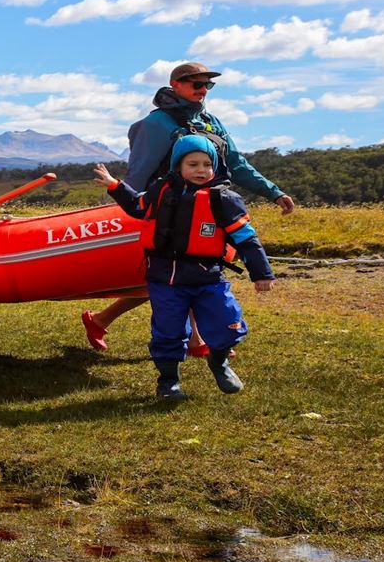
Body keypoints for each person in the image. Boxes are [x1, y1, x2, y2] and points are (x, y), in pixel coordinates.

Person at [82, 62, 294, 355]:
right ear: (175, 86)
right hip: (167, 210)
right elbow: (139, 172)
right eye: (196, 84)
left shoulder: (211, 121)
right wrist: (128, 207)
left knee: (194, 270)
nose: (203, 90)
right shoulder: (157, 124)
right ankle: (195, 340)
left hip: (210, 207)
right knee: (175, 273)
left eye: (208, 85)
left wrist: (273, 191)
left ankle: (104, 320)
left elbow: (235, 163)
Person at [92, 135, 275, 398]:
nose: (201, 170)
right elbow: (137, 206)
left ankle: (219, 362)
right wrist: (115, 186)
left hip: (208, 279)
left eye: (206, 164)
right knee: (168, 332)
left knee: (227, 323)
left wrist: (262, 273)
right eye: (193, 164)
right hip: (165, 279)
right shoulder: (160, 190)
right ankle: (168, 382)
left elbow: (246, 238)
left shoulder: (224, 199)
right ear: (178, 166)